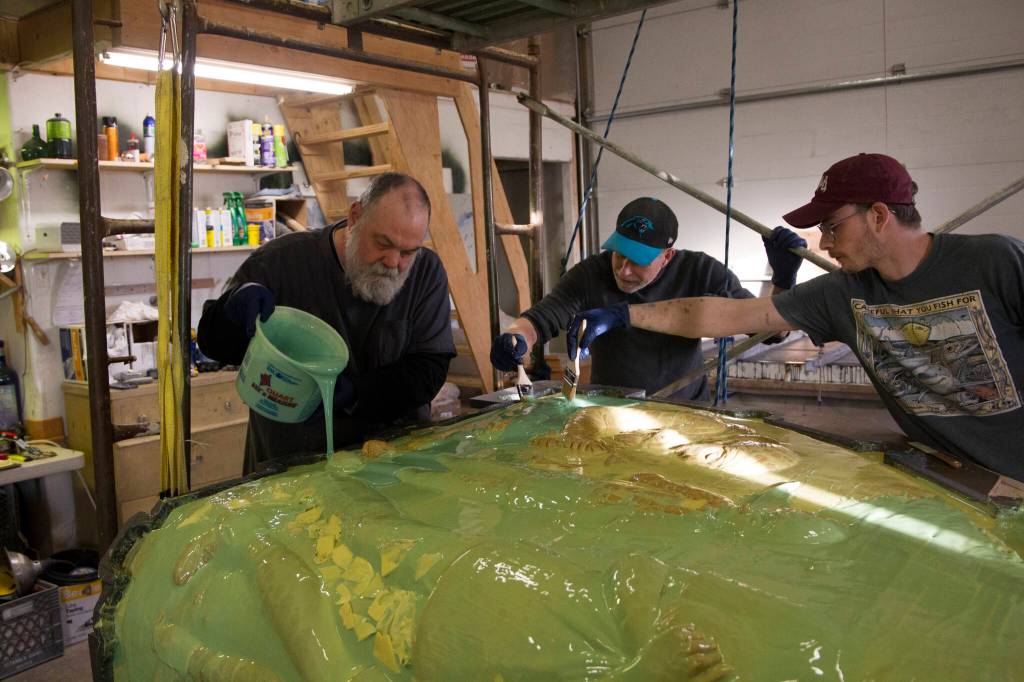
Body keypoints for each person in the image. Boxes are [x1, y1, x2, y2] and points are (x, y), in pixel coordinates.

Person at [568, 153, 1024, 480]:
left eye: (831, 226)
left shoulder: (994, 261)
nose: (823, 243)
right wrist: (625, 315)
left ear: (879, 216)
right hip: (949, 476)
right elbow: (726, 315)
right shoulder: (842, 293)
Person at [198, 172, 455, 471]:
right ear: (355, 217)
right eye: (383, 243)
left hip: (394, 469)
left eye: (407, 252)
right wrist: (231, 312)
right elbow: (214, 345)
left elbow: (429, 370)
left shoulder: (426, 273)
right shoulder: (281, 263)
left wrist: (353, 393)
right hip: (292, 471)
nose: (393, 262)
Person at [489, 196, 807, 399]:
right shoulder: (591, 273)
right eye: (618, 256)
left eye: (638, 261)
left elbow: (769, 331)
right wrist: (517, 338)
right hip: (612, 409)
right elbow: (545, 316)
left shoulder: (702, 272)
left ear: (667, 256)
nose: (624, 271)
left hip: (685, 412)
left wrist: (783, 281)